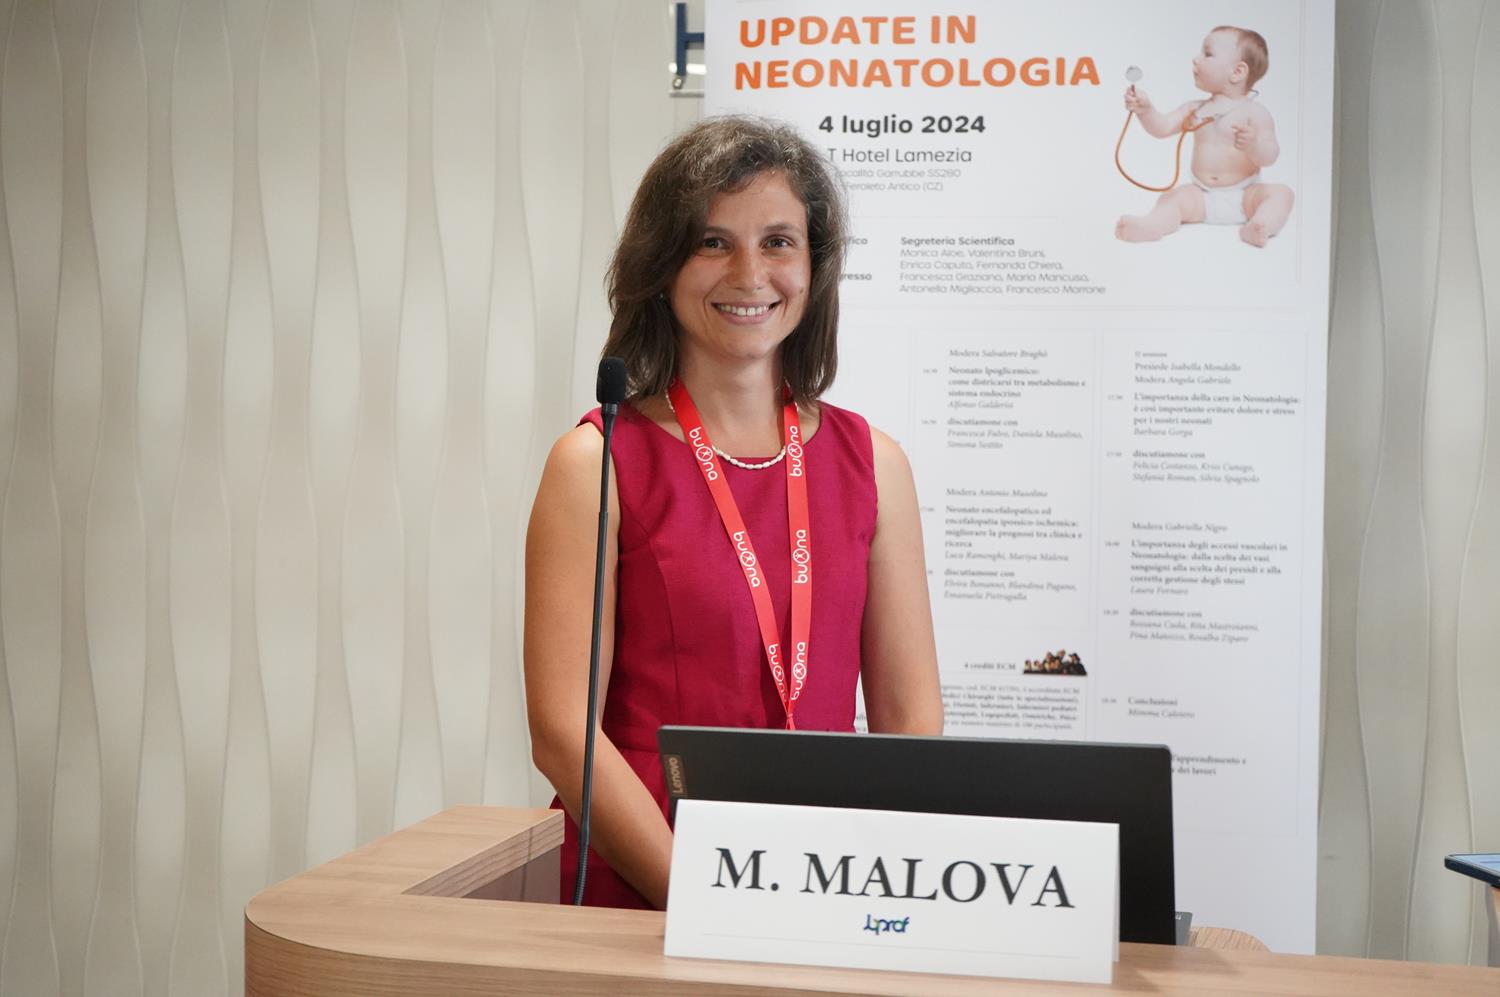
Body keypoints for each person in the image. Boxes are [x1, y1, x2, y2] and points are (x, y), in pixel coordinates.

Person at [524, 116, 943, 910]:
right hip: (644, 890)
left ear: (814, 266)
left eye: (779, 241)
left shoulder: (875, 465)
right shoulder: (595, 463)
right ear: (662, 265)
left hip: (824, 883)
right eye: (713, 242)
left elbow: (911, 724)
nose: (750, 273)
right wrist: (707, 899)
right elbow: (562, 732)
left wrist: (868, 890)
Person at [1114, 26, 1293, 247]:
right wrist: (1146, 110)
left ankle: (1260, 224)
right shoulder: (1194, 109)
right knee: (1172, 198)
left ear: (1237, 72)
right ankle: (1153, 225)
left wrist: (1254, 145)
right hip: (1201, 196)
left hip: (1245, 195)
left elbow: (1271, 155)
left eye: (1207, 54)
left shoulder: (1255, 112)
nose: (1196, 59)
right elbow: (1162, 128)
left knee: (1282, 194)